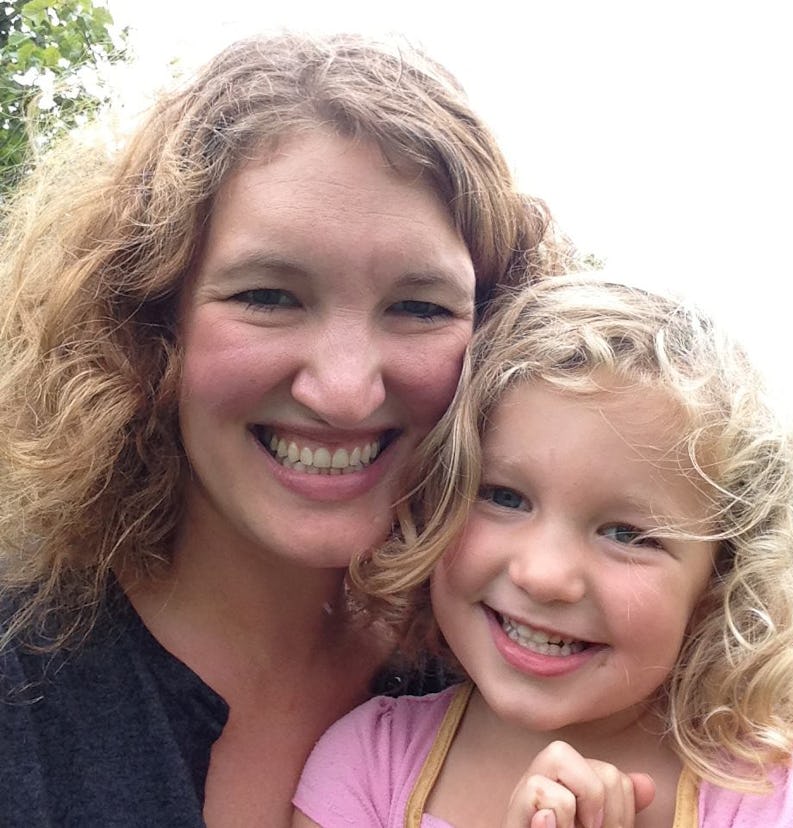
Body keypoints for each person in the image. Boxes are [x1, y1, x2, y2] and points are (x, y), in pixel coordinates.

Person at [0, 32, 573, 827]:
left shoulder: (532, 677)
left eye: (419, 307)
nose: (343, 392)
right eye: (268, 296)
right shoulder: (20, 682)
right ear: (146, 323)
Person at [292, 276, 793, 827]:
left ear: (720, 583)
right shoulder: (370, 763)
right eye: (504, 497)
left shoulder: (780, 803)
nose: (544, 576)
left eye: (626, 534)